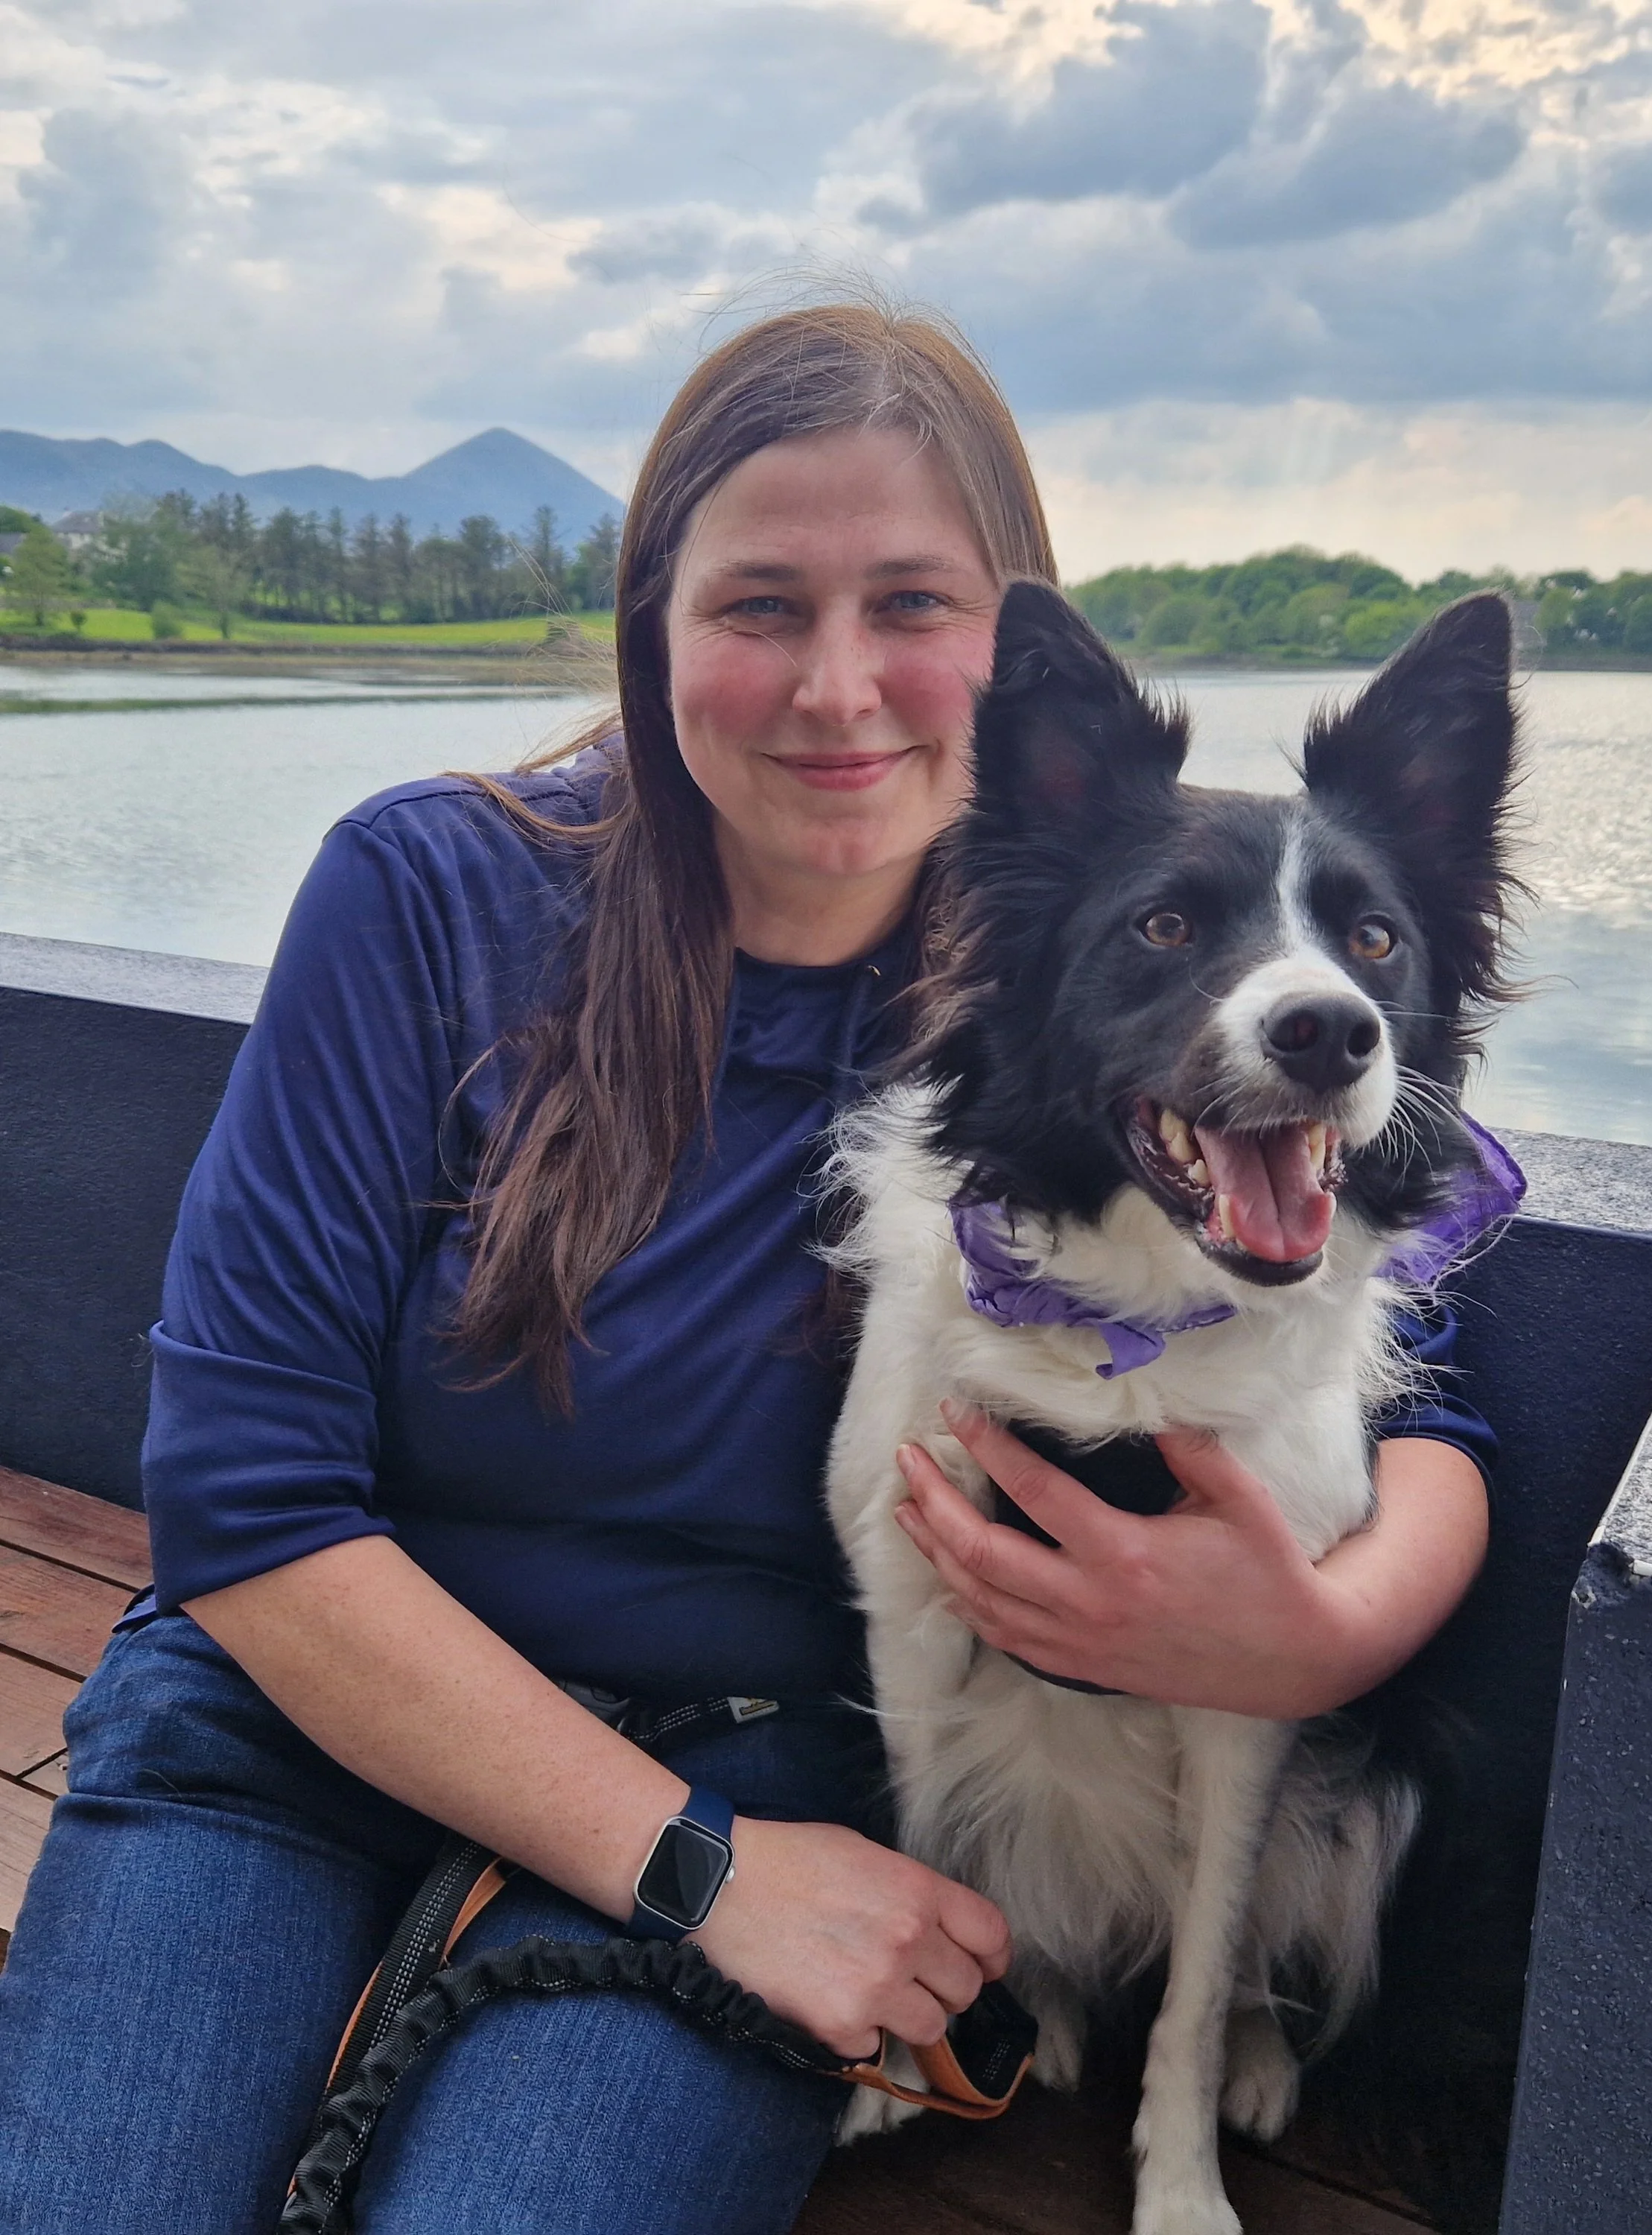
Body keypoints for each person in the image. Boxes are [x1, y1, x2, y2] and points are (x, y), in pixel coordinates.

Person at [0, 302, 1495, 2235]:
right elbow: (240, 1498)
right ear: (653, 618)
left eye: (912, 607)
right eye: (761, 604)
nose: (838, 687)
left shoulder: (1093, 985)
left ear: (1013, 656)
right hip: (302, 1729)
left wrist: (1325, 1631)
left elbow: (1407, 1360)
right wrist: (700, 1874)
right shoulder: (429, 893)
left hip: (770, 1770)